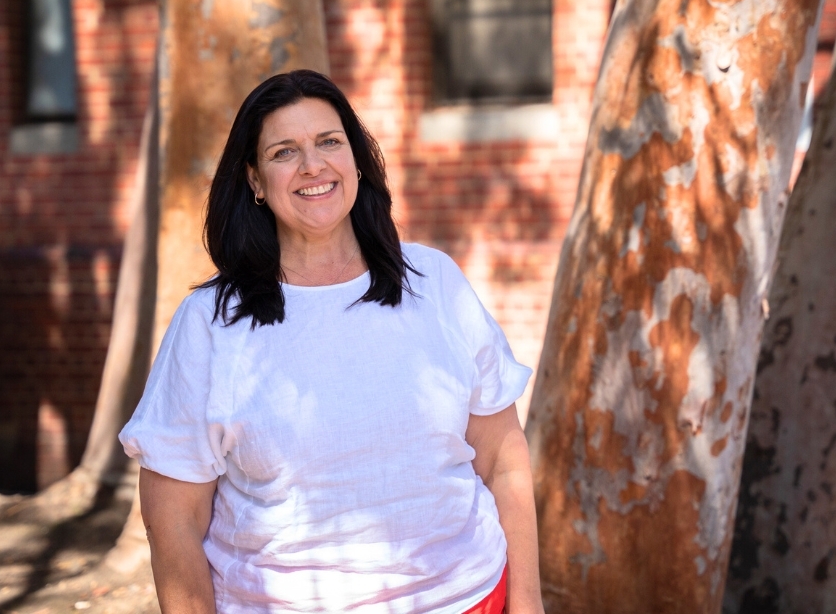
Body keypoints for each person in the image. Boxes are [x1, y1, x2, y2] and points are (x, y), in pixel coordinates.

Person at [119, 69, 544, 614]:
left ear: (357, 161)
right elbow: (173, 517)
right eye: (283, 152)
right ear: (254, 181)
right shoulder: (209, 324)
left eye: (329, 142)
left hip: (468, 598)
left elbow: (503, 458)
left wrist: (528, 603)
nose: (312, 165)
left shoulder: (434, 283)